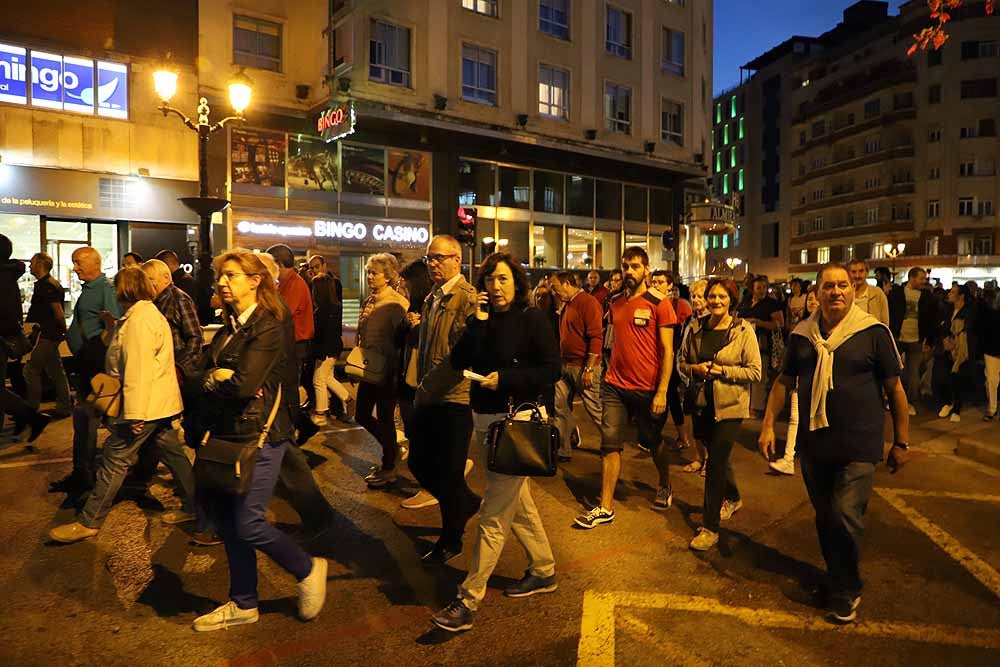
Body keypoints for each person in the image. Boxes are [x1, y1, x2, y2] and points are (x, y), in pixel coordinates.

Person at [760, 262, 910, 625]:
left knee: (844, 513)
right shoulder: (802, 335)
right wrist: (767, 426)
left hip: (859, 444)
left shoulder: (873, 332)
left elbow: (895, 389)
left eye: (843, 285)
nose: (837, 292)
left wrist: (901, 442)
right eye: (829, 286)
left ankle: (847, 589)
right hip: (815, 444)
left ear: (854, 290)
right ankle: (836, 577)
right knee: (826, 517)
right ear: (818, 292)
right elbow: (784, 382)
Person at [191, 249, 327, 632]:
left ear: (255, 281)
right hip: (230, 433)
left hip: (262, 434)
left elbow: (242, 385)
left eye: (231, 275)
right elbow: (209, 372)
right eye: (221, 275)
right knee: (231, 523)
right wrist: (212, 375)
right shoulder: (233, 323)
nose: (222, 282)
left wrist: (217, 377)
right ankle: (243, 602)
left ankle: (306, 568)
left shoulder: (268, 322)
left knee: (249, 523)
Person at [431, 253, 561, 632]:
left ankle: (468, 599)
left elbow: (552, 368)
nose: (496, 286)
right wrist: (478, 324)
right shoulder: (482, 321)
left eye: (503, 279)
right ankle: (543, 569)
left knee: (492, 514)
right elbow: (458, 361)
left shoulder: (532, 319)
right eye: (490, 280)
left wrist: (504, 379)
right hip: (485, 422)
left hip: (517, 420)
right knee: (517, 504)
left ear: (516, 283)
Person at [48, 267, 197, 543]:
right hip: (157, 405)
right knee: (175, 457)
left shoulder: (140, 321)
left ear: (124, 289)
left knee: (114, 460)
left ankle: (90, 520)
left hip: (146, 406)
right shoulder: (142, 316)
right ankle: (197, 508)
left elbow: (137, 372)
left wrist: (134, 415)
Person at [575, 247, 676, 529]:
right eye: (625, 266)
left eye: (634, 266)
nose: (629, 271)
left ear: (646, 268)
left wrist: (662, 391)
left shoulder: (660, 303)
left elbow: (668, 351)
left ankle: (665, 483)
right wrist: (599, 367)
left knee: (653, 441)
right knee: (609, 444)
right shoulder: (615, 302)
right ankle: (605, 506)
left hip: (647, 388)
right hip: (614, 387)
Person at [408, 235, 481, 566]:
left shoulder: (466, 298)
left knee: (450, 472)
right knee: (418, 463)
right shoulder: (432, 297)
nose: (432, 264)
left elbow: (460, 357)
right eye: (428, 259)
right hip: (429, 393)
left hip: (456, 398)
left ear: (457, 259)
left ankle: (451, 538)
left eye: (438, 258)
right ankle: (464, 503)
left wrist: (427, 388)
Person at [678, 278, 760, 551]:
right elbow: (683, 362)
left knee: (714, 464)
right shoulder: (697, 328)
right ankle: (734, 496)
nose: (714, 301)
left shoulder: (742, 330)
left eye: (721, 296)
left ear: (731, 300)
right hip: (702, 403)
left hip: (730, 407)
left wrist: (723, 371)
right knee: (717, 456)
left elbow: (755, 371)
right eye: (711, 296)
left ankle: (710, 527)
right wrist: (695, 369)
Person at [49, 247, 123, 495]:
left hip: (94, 364)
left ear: (95, 263)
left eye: (78, 262)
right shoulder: (89, 290)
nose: (75, 267)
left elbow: (114, 325)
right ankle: (84, 472)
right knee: (85, 419)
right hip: (85, 362)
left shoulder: (105, 289)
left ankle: (88, 475)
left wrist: (97, 349)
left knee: (90, 418)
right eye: (74, 262)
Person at [355, 253, 408, 488]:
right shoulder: (369, 300)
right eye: (368, 272)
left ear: (387, 276)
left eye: (374, 273)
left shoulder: (396, 303)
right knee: (362, 415)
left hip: (387, 370)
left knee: (385, 418)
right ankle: (393, 447)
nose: (369, 277)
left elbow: (403, 339)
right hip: (368, 367)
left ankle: (389, 467)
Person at [549, 271, 603, 461]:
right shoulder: (567, 304)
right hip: (566, 365)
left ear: (566, 283)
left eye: (556, 287)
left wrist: (589, 369)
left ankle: (612, 444)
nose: (554, 292)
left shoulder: (588, 303)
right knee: (559, 406)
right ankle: (563, 449)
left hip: (583, 367)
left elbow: (596, 337)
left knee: (594, 408)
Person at [769, 285, 820, 476]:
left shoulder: (831, 328)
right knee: (794, 418)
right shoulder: (801, 328)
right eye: (810, 299)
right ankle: (788, 458)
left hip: (820, 386)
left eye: (816, 298)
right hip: (800, 381)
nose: (813, 302)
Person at [23, 252, 72, 418]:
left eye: (32, 263)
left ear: (39, 264)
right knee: (56, 369)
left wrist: (63, 329)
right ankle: (64, 406)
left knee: (31, 370)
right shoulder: (50, 283)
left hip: (47, 334)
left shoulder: (46, 285)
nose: (29, 266)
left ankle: (31, 409)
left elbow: (57, 311)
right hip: (50, 334)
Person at [651, 269, 694, 450]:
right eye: (654, 282)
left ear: (670, 286)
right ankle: (680, 437)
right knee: (671, 397)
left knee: (669, 396)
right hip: (656, 358)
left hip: (672, 358)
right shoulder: (651, 304)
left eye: (661, 282)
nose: (656, 285)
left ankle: (663, 438)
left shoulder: (680, 305)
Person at [308, 254, 352, 425]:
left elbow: (324, 334)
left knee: (318, 379)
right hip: (333, 347)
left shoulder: (323, 310)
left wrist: (321, 352)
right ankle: (347, 400)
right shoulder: (334, 307)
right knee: (327, 378)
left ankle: (321, 413)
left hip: (327, 349)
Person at [888, 267, 936, 415]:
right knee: (891, 369)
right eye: (921, 278)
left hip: (916, 338)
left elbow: (930, 319)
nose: (924, 281)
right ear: (912, 278)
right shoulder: (897, 293)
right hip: (897, 336)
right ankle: (891, 399)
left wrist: (929, 341)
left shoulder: (926, 296)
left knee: (913, 373)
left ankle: (910, 402)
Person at [737, 275, 784, 414]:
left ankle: (756, 407)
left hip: (762, 342)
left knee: (760, 375)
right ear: (753, 288)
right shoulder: (746, 301)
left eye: (764, 287)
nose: (762, 290)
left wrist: (758, 322)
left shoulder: (772, 304)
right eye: (759, 287)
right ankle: (746, 403)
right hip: (744, 341)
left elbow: (779, 324)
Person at [680, 279, 709, 475]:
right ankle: (699, 457)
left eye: (700, 296)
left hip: (707, 378)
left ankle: (709, 461)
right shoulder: (691, 320)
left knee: (707, 424)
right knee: (695, 423)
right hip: (691, 376)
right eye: (694, 296)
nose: (696, 299)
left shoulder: (713, 321)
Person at [937, 284, 973, 423]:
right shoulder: (948, 309)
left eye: (953, 292)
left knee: (957, 378)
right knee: (944, 376)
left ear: (961, 295)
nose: (949, 294)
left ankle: (956, 407)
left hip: (961, 349)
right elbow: (943, 326)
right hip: (947, 347)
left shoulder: (968, 311)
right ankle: (947, 403)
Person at [848, 259, 889, 326]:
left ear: (867, 273)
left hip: (871, 334)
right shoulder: (846, 293)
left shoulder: (877, 293)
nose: (857, 275)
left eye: (861, 271)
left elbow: (885, 322)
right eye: (853, 272)